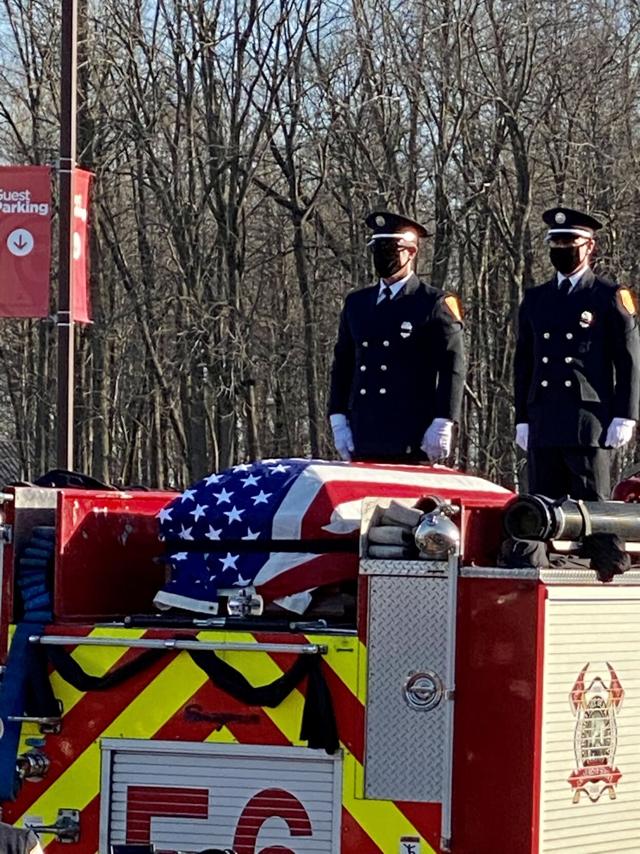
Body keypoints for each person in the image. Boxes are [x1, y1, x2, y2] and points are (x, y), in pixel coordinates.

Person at [514, 206, 640, 500]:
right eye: (556, 244)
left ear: (589, 246)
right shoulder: (536, 299)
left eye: (569, 244)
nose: (561, 249)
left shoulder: (608, 296)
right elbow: (524, 365)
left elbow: (629, 360)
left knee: (593, 518)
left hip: (587, 423)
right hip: (543, 421)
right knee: (541, 516)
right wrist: (522, 416)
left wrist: (625, 415)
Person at [328, 211, 465, 463]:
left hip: (411, 434)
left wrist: (443, 420)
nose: (382, 256)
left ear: (411, 252)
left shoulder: (433, 303)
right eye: (377, 248)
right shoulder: (357, 304)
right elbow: (343, 364)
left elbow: (452, 366)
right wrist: (338, 417)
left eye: (391, 249)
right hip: (364, 432)